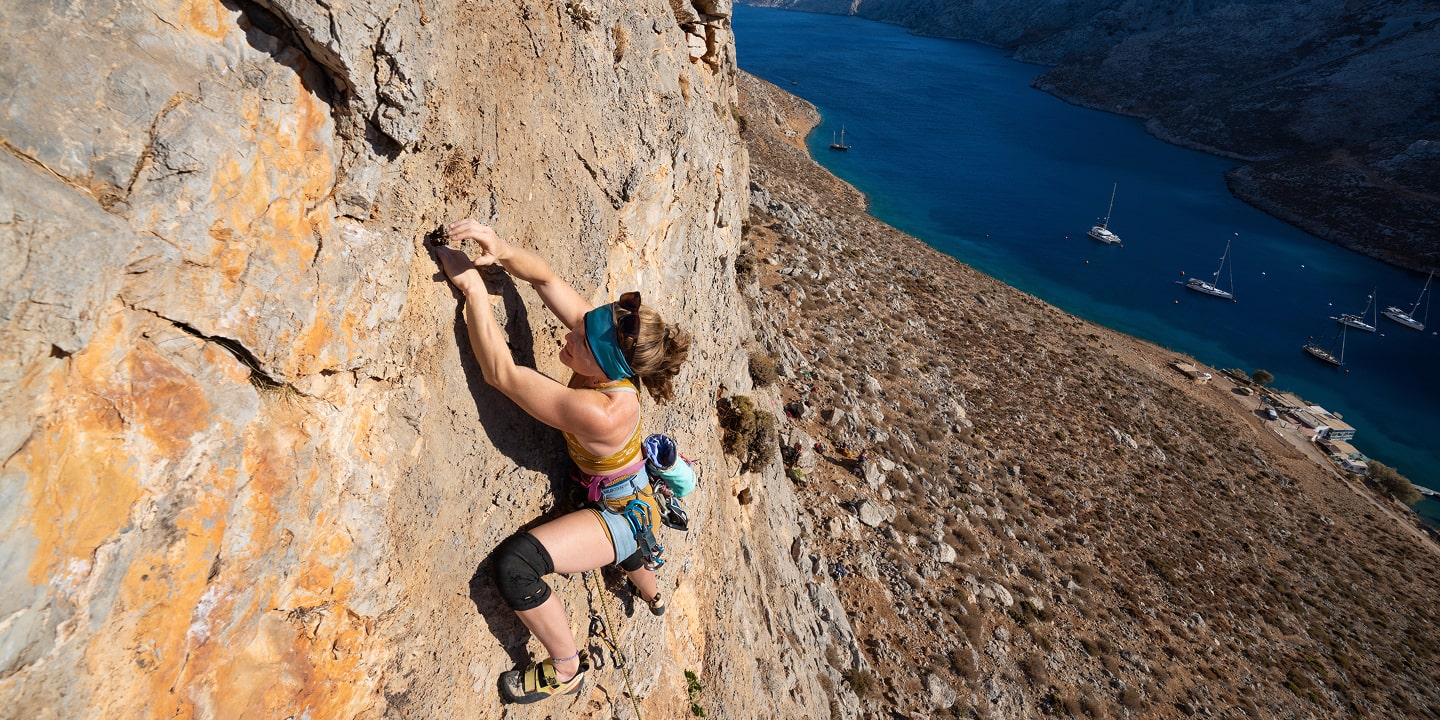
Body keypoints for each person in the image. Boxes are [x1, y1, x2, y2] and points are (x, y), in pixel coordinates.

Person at [433, 219, 692, 704]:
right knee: (633, 543)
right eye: (580, 327)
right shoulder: (608, 349)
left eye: (580, 345)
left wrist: (472, 288)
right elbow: (546, 279)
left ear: (604, 368)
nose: (569, 339)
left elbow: (503, 374)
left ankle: (567, 665)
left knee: (517, 566)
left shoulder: (601, 411)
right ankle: (654, 595)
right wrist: (502, 247)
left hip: (618, 513)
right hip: (631, 493)